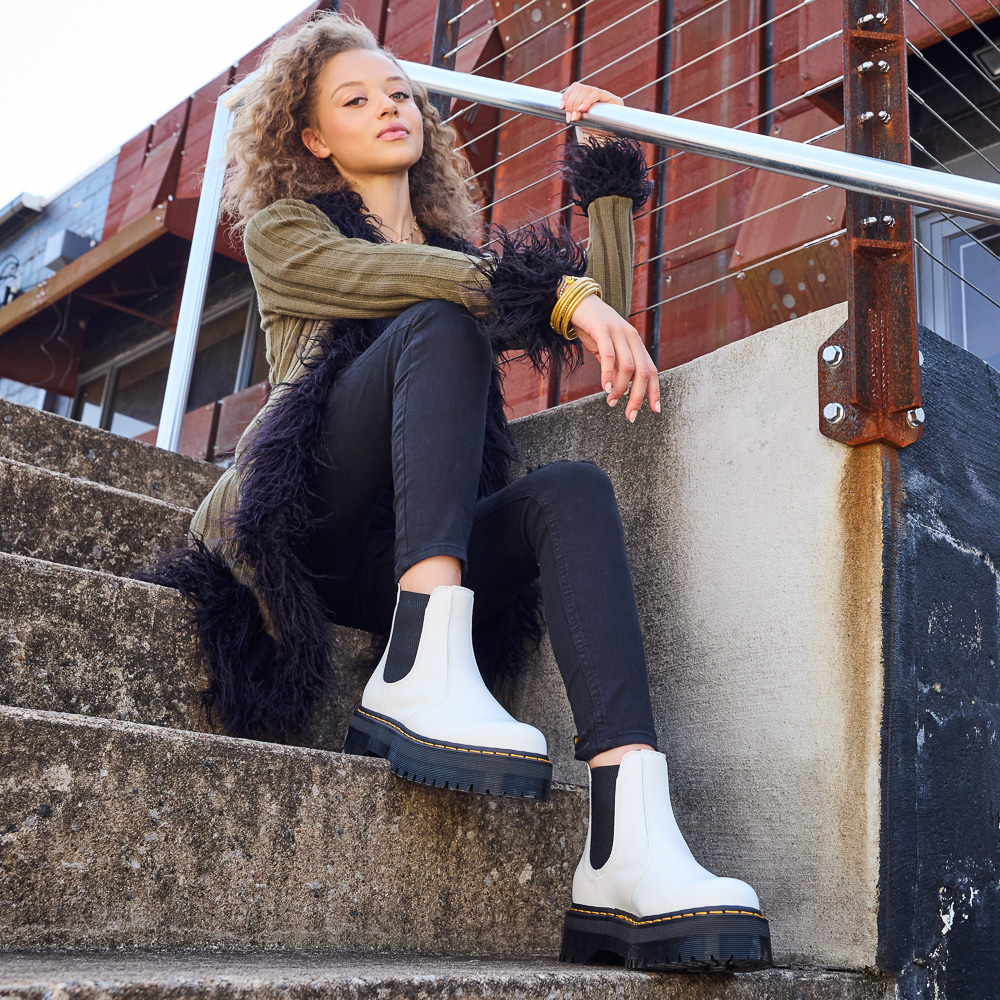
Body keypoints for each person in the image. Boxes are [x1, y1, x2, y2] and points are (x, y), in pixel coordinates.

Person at [140, 9, 771, 973]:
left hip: (403, 546)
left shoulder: (456, 247)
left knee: (571, 491)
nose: (389, 106)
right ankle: (420, 669)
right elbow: (429, 280)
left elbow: (581, 298)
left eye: (401, 93)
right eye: (356, 99)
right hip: (308, 525)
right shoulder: (286, 232)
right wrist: (547, 293)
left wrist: (602, 167)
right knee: (441, 310)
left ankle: (629, 841)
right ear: (312, 139)